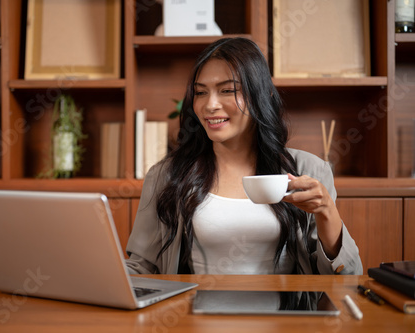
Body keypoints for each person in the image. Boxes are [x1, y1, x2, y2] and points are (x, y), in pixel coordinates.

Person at [126, 37, 362, 275]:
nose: (210, 105)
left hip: (287, 314)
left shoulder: (308, 170)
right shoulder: (167, 175)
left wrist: (327, 213)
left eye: (227, 90)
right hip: (193, 313)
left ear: (264, 94)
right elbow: (142, 268)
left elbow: (347, 278)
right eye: (200, 92)